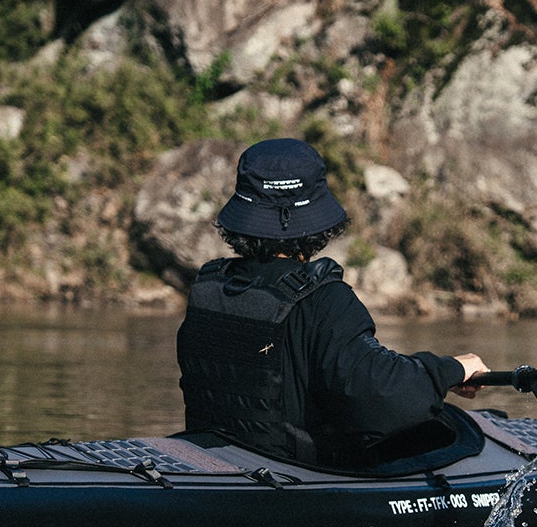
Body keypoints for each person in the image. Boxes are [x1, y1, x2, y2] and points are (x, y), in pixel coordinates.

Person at [176, 137, 489, 468]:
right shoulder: (324, 300)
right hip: (290, 486)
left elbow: (354, 370)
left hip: (212, 472)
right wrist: (450, 369)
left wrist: (427, 374)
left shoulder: (208, 288)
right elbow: (384, 398)